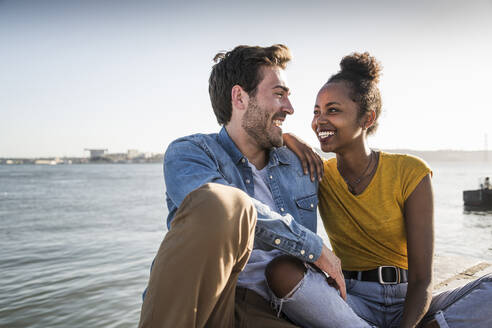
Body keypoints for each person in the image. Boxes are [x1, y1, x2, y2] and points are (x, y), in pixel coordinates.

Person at [269, 52, 492, 327]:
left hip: (407, 298)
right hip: (349, 299)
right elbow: (262, 145)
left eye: (333, 110)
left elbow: (422, 279)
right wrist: (288, 137)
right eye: (316, 112)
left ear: (367, 118)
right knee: (280, 271)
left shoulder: (409, 171)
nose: (319, 121)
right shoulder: (318, 173)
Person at [138, 44, 344, 328]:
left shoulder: (299, 162)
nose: (290, 108)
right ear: (240, 97)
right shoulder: (190, 154)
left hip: (280, 308)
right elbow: (232, 210)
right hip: (208, 303)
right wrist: (314, 247)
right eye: (279, 94)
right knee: (221, 201)